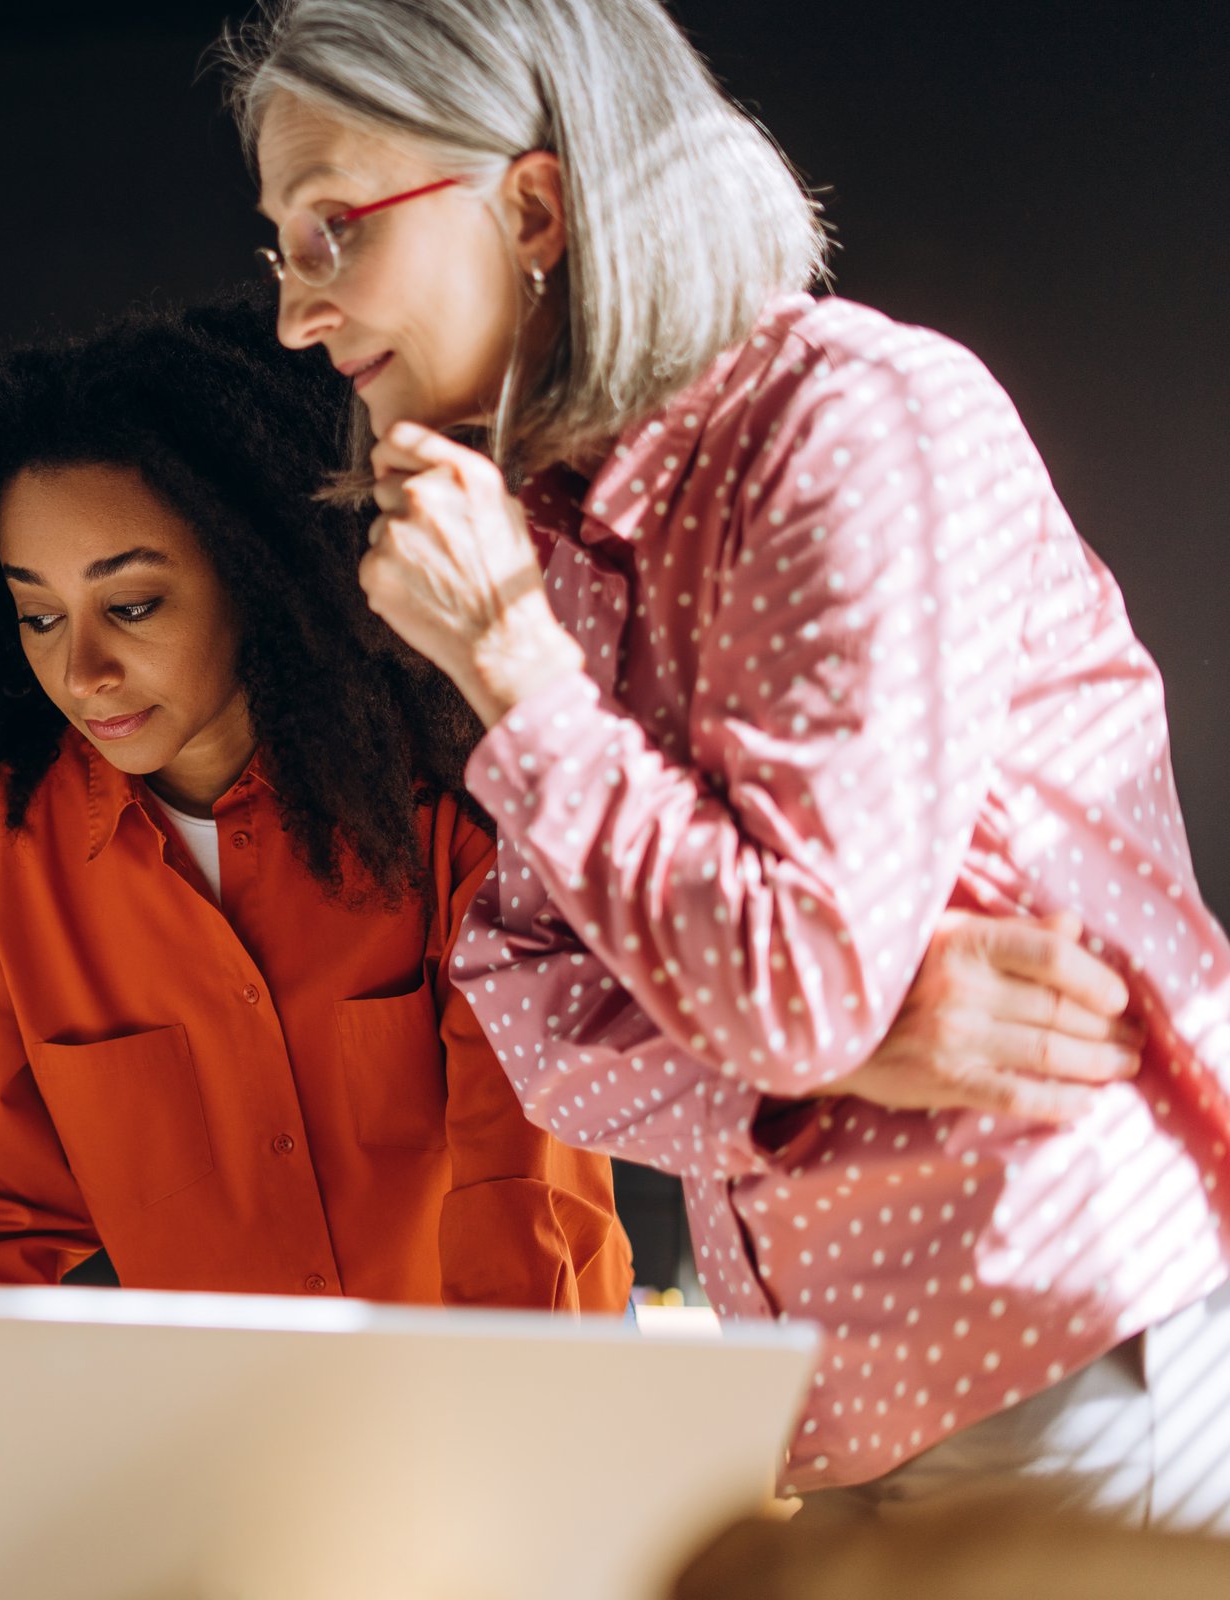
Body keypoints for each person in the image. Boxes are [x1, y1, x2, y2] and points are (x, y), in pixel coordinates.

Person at [230, 0, 1230, 1527]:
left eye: (330, 230)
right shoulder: (552, 534)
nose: (299, 314)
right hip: (824, 1406)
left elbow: (790, 986)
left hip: (1057, 1343)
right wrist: (821, 1071)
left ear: (537, 205)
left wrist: (512, 668)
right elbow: (529, 998)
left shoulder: (856, 421)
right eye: (281, 247)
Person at [0, 296, 630, 1558]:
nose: (80, 668)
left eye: (132, 605)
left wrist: (509, 1469)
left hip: (503, 1450)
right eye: (38, 613)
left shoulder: (452, 814)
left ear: (254, 576)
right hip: (228, 1489)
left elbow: (518, 1184)